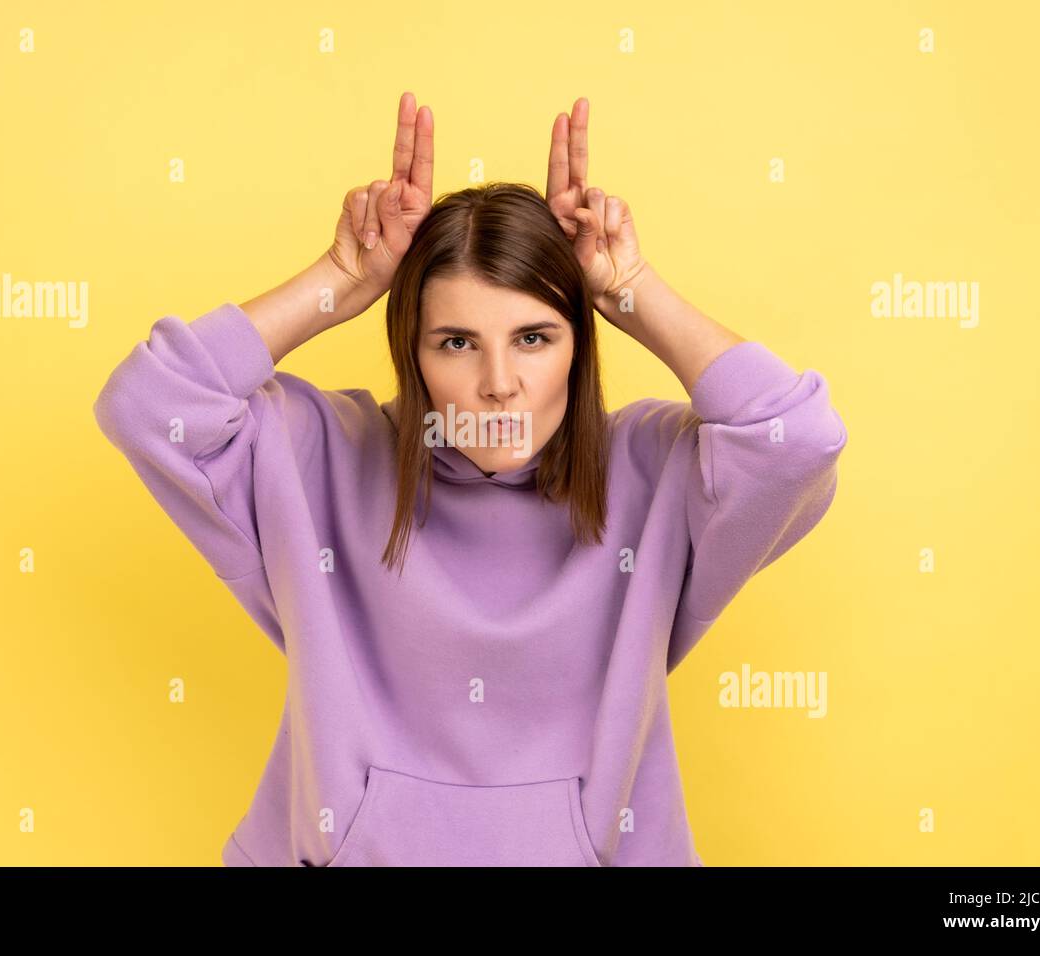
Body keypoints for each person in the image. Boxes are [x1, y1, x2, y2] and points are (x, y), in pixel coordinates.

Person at [93, 91, 848, 866]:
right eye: (456, 342)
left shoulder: (650, 474)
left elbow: (797, 443)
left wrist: (634, 290)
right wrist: (339, 279)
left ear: (580, 347)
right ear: (411, 351)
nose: (499, 382)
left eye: (533, 337)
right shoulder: (322, 457)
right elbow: (150, 405)